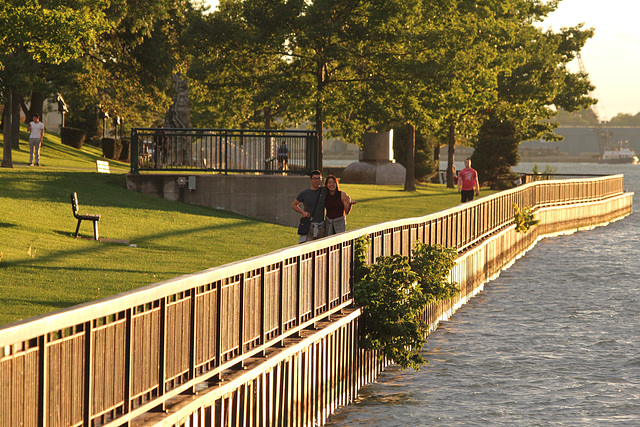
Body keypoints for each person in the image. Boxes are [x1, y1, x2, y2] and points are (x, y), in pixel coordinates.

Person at [291, 170, 327, 243]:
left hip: (321, 226)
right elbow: (294, 205)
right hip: (309, 226)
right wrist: (302, 212)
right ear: (310, 180)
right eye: (314, 178)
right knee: (307, 247)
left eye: (319, 178)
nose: (317, 181)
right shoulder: (305, 193)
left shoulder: (324, 191)